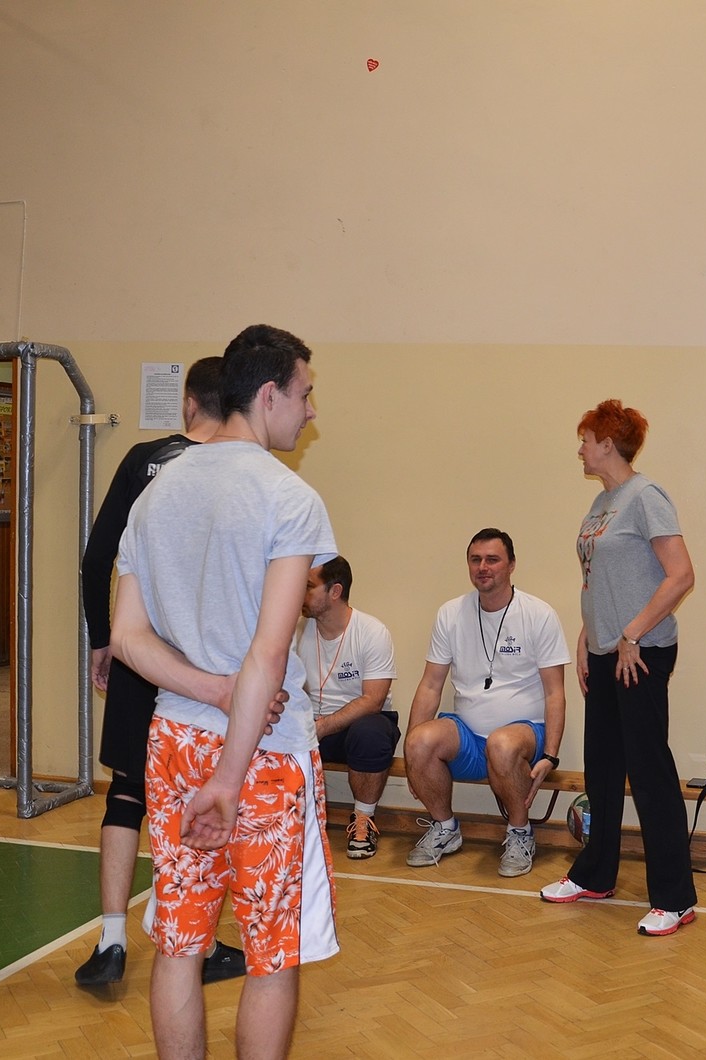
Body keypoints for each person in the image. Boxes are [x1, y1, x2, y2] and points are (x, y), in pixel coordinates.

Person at [111, 325, 337, 1059]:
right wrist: (230, 779)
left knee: (180, 943)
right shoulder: (289, 497)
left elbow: (128, 639)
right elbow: (268, 654)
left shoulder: (155, 493)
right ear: (268, 394)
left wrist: (210, 690)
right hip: (260, 756)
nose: (310, 411)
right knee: (271, 954)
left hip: (176, 742)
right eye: (304, 394)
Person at [73, 357, 246, 987]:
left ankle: (111, 941)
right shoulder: (243, 472)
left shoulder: (145, 460)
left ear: (188, 403)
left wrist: (104, 639)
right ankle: (195, 941)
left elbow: (98, 557)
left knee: (127, 792)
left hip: (140, 651)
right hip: (209, 666)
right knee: (200, 793)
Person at [540, 399, 698, 936]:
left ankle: (675, 897)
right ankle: (595, 874)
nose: (580, 449)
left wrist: (631, 634)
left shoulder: (645, 496)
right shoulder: (601, 503)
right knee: (603, 768)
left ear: (608, 443)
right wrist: (589, 635)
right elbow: (600, 580)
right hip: (608, 651)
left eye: (585, 440)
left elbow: (681, 575)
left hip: (642, 653)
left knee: (650, 772)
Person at [402, 528, 571, 878]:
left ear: (511, 565)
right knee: (418, 741)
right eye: (475, 559)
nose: (483, 567)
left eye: (492, 559)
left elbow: (555, 692)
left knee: (501, 743)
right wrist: (410, 755)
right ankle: (445, 828)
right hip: (467, 734)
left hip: (522, 735)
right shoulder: (450, 613)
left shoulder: (538, 614)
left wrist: (551, 755)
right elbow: (431, 685)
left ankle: (520, 832)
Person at [296, 555, 399, 859]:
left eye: (308, 586)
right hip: (311, 723)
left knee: (371, 732)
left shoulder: (371, 631)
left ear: (335, 591)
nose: (299, 593)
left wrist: (323, 726)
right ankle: (288, 821)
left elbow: (373, 699)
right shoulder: (295, 629)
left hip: (357, 724)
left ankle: (363, 821)